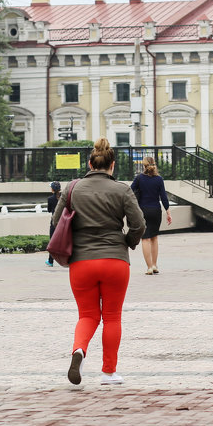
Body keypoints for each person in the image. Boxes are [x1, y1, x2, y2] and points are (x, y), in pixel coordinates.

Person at [56, 138, 144, 386]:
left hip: (81, 262)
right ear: (112, 165)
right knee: (112, 317)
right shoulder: (122, 190)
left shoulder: (72, 188)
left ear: (89, 163)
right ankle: (109, 372)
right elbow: (139, 224)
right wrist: (128, 241)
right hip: (115, 260)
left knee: (87, 315)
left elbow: (56, 221)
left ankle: (79, 351)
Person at [131, 156, 171, 275]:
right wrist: (168, 212)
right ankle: (154, 265)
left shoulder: (139, 178)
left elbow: (130, 191)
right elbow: (163, 197)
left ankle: (148, 267)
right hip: (156, 211)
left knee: (145, 238)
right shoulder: (159, 179)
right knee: (154, 237)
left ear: (144, 166)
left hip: (143, 210)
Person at [46, 181, 61, 267]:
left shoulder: (50, 199)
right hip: (63, 223)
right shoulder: (63, 197)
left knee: (52, 242)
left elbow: (48, 210)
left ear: (52, 189)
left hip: (54, 223)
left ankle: (50, 261)